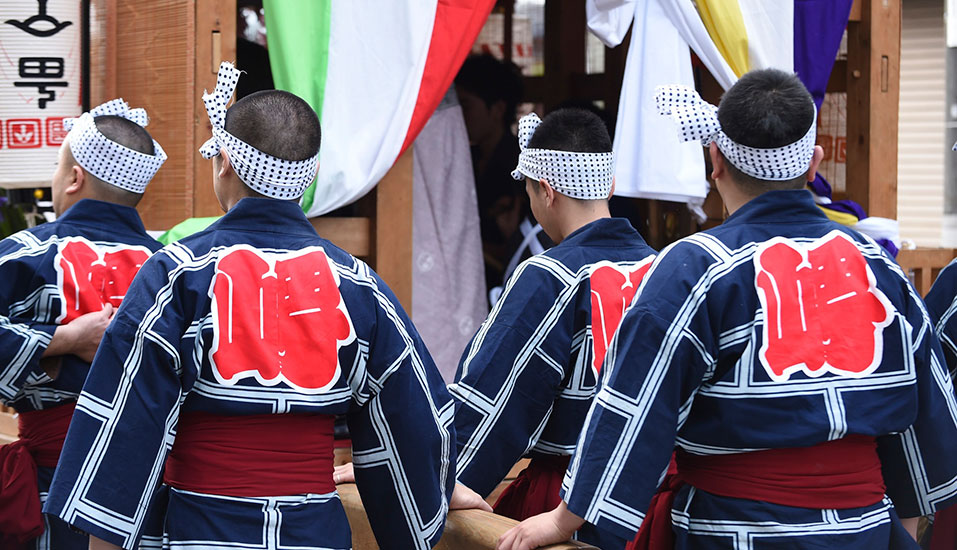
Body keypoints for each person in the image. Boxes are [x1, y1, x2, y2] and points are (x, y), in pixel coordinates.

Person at [498, 69, 957, 550]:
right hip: (859, 528)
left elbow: (636, 403)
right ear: (813, 162)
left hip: (735, 530)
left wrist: (567, 518)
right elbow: (925, 409)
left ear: (714, 160)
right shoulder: (878, 267)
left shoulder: (696, 267)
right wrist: (903, 523)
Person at [43, 63, 484, 550]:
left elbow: (126, 418)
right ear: (310, 174)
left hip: (202, 531)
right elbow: (417, 419)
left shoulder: (178, 274)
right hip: (313, 534)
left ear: (225, 163)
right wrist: (436, 493)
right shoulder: (361, 287)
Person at [450, 108, 656, 549]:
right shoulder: (667, 268)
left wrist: (431, 467)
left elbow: (497, 395)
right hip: (654, 499)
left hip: (565, 499)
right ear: (610, 185)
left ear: (545, 191)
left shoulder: (550, 275)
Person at [0, 99, 166, 550]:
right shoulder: (175, 270)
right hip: (153, 488)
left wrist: (63, 340)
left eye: (58, 166)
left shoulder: (22, 254)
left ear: (74, 177)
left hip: (53, 481)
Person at [456, 54, 538, 296]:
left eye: (466, 105)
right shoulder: (466, 157)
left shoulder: (522, 164)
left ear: (497, 109)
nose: (458, 116)